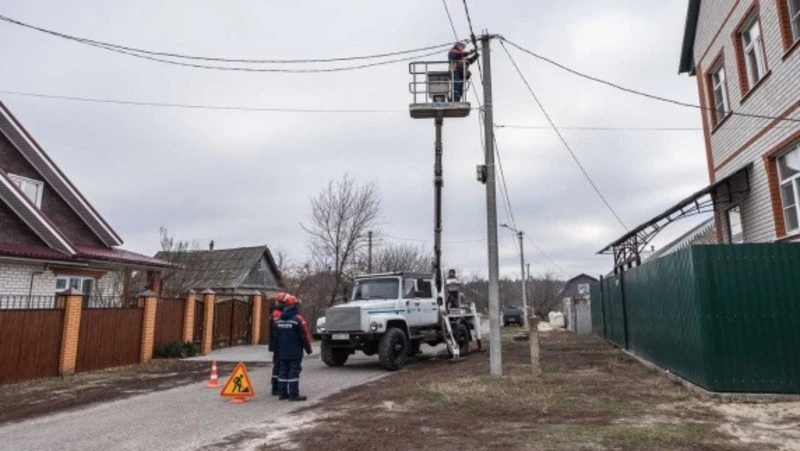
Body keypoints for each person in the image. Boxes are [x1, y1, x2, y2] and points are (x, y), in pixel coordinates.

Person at [275, 295, 313, 401]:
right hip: (295, 352)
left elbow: (275, 337)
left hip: (282, 352)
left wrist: (278, 350)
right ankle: (293, 394)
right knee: (294, 372)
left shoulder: (279, 321)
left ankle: (282, 394)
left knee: (283, 371)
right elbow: (304, 336)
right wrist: (308, 349)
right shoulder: (297, 320)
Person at [268, 292, 287, 396]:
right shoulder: (277, 313)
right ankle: (276, 387)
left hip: (277, 343)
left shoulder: (277, 312)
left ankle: (277, 386)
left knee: (278, 364)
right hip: (278, 343)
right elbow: (278, 329)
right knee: (279, 365)